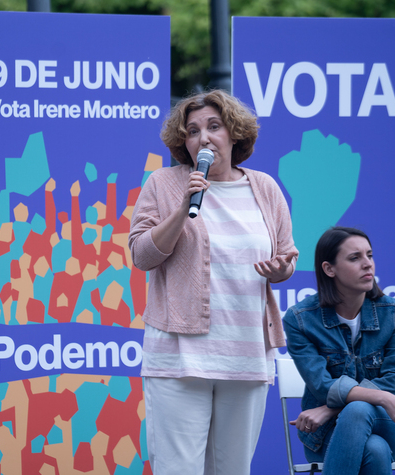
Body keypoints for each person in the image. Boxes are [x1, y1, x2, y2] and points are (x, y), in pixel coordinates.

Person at [128, 89, 297, 474]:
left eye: (213, 127)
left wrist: (280, 269)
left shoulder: (265, 187)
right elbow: (142, 256)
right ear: (183, 142)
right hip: (179, 359)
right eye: (192, 131)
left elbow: (286, 257)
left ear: (234, 134)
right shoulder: (164, 184)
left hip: (247, 355)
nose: (202, 138)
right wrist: (180, 209)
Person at [283, 227, 395, 475]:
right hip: (328, 435)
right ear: (329, 269)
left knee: (359, 411)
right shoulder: (300, 320)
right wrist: (383, 396)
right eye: (355, 258)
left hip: (387, 423)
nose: (368, 264)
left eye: (370, 255)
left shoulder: (393, 313)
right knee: (375, 450)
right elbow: (323, 386)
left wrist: (331, 408)